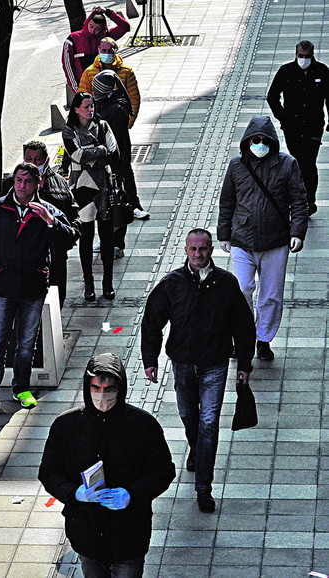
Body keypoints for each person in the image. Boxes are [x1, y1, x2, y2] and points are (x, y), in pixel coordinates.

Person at [141, 229, 256, 513]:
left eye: (203, 249)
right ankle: (197, 449)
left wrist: (244, 364)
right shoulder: (173, 283)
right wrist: (150, 359)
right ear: (186, 250)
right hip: (183, 363)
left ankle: (204, 487)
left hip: (214, 364)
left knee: (208, 423)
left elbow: (244, 326)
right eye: (193, 249)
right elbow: (152, 321)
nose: (198, 254)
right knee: (188, 415)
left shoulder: (226, 284)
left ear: (211, 249)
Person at [39, 352, 175, 578]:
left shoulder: (143, 426)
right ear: (87, 388)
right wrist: (75, 494)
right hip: (86, 533)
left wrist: (131, 494)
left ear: (120, 389)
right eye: (96, 388)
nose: (102, 396)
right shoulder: (66, 426)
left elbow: (163, 471)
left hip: (129, 534)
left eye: (109, 389)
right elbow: (49, 472)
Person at [0, 162, 76, 416]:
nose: (22, 185)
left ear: (37, 184)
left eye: (28, 181)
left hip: (33, 289)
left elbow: (70, 238)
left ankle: (21, 388)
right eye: (19, 180)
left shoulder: (47, 211)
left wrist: (51, 223)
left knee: (27, 344)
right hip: (3, 288)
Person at [218, 115, 308, 361]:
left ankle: (263, 339)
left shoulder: (287, 165)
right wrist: (223, 234)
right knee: (242, 289)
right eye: (254, 140)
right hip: (242, 240)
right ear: (247, 142)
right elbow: (227, 201)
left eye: (263, 140)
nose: (259, 144)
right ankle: (241, 336)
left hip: (275, 241)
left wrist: (297, 233)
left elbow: (299, 201)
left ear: (272, 142)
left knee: (271, 295)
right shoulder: (237, 166)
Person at [2, 140, 81, 307]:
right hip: (22, 263)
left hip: (55, 258)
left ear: (47, 160)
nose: (33, 163)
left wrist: (68, 236)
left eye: (37, 159)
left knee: (54, 304)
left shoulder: (59, 183)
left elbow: (74, 217)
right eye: (28, 158)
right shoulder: (11, 185)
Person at [63, 91, 118, 301]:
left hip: (104, 185)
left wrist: (91, 153)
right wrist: (99, 151)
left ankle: (108, 282)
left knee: (106, 236)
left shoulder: (102, 126)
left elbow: (113, 151)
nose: (90, 109)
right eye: (86, 106)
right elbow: (75, 155)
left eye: (92, 106)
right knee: (86, 236)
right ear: (76, 109)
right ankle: (89, 283)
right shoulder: (70, 131)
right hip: (82, 187)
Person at [267, 40, 329, 216]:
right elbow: (272, 96)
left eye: (307, 56)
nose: (304, 59)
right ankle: (296, 198)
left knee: (308, 163)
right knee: (296, 162)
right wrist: (283, 117)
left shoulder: (322, 72)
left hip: (313, 127)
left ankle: (310, 200)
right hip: (292, 127)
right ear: (296, 54)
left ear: (313, 55)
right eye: (301, 56)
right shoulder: (286, 71)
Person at [93, 70, 145, 262]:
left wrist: (117, 166)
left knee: (117, 205)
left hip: (115, 163)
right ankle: (106, 240)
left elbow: (116, 140)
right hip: (103, 165)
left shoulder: (116, 110)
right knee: (104, 206)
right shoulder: (102, 105)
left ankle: (117, 244)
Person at [62, 7, 130, 94]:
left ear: (102, 29)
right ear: (87, 23)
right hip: (84, 89)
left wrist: (108, 12)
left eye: (97, 29)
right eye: (91, 26)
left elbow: (125, 27)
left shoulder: (106, 37)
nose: (93, 30)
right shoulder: (73, 39)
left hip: (106, 88)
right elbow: (68, 68)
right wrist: (78, 91)